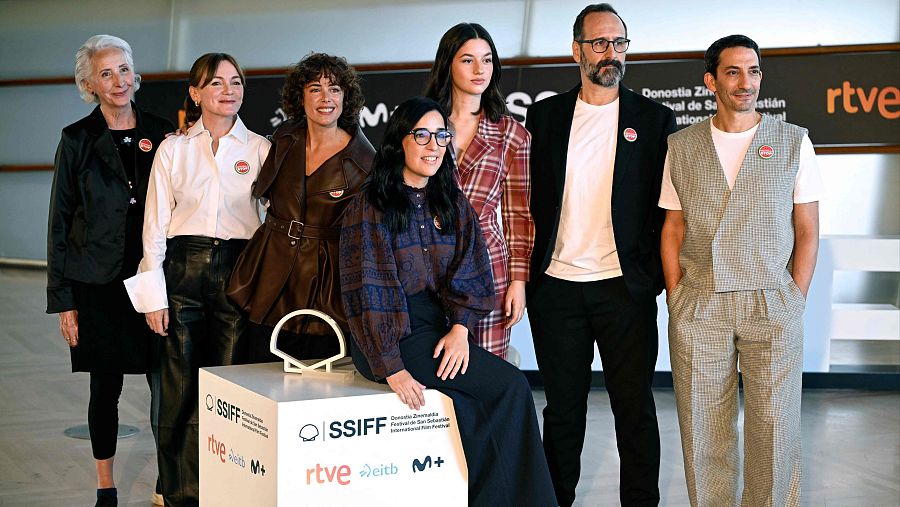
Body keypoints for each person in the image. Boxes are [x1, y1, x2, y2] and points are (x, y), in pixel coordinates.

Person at [339, 97, 555, 506]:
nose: (433, 145)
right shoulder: (372, 205)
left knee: (479, 406)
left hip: (439, 327)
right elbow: (368, 293)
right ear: (399, 142)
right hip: (390, 332)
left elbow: (472, 272)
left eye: (441, 135)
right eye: (421, 134)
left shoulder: (451, 201)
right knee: (509, 388)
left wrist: (460, 330)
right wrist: (393, 369)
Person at [659, 35, 822, 507]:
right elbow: (673, 227)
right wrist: (676, 297)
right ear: (711, 81)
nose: (745, 82)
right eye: (733, 72)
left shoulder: (793, 141)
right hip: (700, 303)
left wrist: (795, 295)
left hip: (772, 300)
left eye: (753, 71)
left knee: (774, 423)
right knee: (702, 423)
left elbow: (807, 228)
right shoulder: (683, 145)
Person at [525, 3, 676, 505]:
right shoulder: (543, 117)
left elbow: (666, 208)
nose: (611, 53)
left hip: (624, 291)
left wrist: (652, 276)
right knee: (562, 413)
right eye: (599, 43)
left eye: (619, 43)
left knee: (634, 412)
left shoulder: (654, 120)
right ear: (577, 50)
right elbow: (530, 200)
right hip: (558, 290)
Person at [124, 53, 270, 507]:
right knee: (176, 390)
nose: (229, 90)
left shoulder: (261, 149)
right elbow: (154, 224)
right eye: (217, 83)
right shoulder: (173, 149)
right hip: (181, 272)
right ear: (195, 93)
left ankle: (222, 489)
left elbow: (270, 224)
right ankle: (178, 491)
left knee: (227, 390)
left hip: (238, 272)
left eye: (236, 82)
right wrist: (153, 296)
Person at [46, 34, 172, 507]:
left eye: (123, 69)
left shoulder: (162, 133)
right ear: (89, 84)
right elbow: (59, 221)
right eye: (106, 73)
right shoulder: (76, 139)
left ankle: (167, 481)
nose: (118, 81)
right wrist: (64, 302)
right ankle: (106, 487)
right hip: (96, 282)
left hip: (154, 278)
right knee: (106, 388)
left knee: (166, 385)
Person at [227, 53, 374, 362]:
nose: (326, 98)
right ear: (301, 96)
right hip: (270, 272)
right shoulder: (283, 139)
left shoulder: (365, 162)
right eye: (315, 88)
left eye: (334, 89)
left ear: (346, 97)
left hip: (325, 284)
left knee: (315, 379)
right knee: (256, 373)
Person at [424, 23, 534, 359]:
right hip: (427, 266)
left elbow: (518, 215)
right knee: (433, 377)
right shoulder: (422, 124)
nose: (479, 70)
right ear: (448, 64)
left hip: (489, 269)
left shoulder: (512, 134)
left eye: (486, 61)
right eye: (467, 60)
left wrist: (519, 281)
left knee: (486, 373)